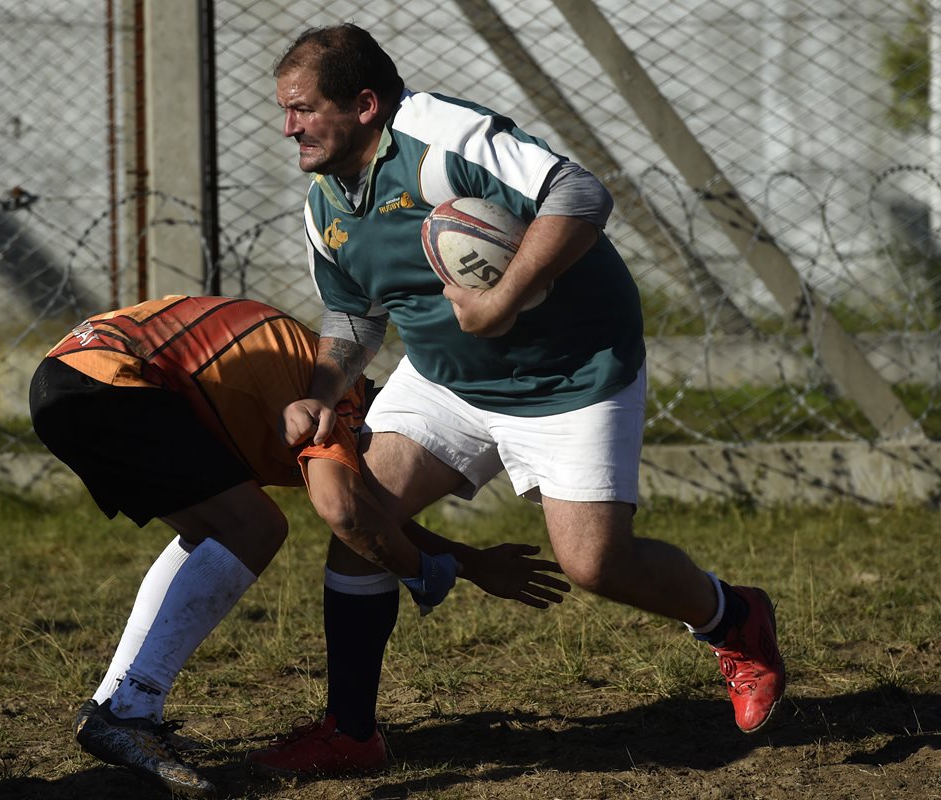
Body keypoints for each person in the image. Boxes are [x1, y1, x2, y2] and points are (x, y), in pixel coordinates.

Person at [247, 23, 785, 776]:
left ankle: (734, 618)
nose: (288, 127)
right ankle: (351, 731)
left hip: (571, 375)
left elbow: (580, 191)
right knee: (360, 517)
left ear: (365, 104)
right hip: (446, 380)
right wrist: (322, 390)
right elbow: (354, 314)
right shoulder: (324, 204)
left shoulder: (438, 137)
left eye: (302, 109)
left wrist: (500, 302)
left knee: (595, 564)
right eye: (285, 110)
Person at [28, 294, 570, 797]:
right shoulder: (344, 402)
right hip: (111, 379)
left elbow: (366, 514)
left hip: (73, 375)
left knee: (212, 530)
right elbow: (351, 513)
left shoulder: (324, 381)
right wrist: (426, 574)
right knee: (256, 528)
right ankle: (130, 711)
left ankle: (114, 707)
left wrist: (470, 562)